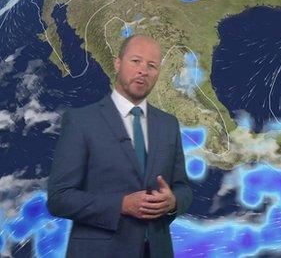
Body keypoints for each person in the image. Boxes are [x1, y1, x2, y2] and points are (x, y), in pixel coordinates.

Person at [46, 34, 193, 258]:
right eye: (136, 61)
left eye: (151, 65)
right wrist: (121, 205)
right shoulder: (81, 121)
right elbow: (59, 198)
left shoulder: (168, 124)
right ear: (117, 63)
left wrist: (173, 202)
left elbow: (183, 188)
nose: (143, 70)